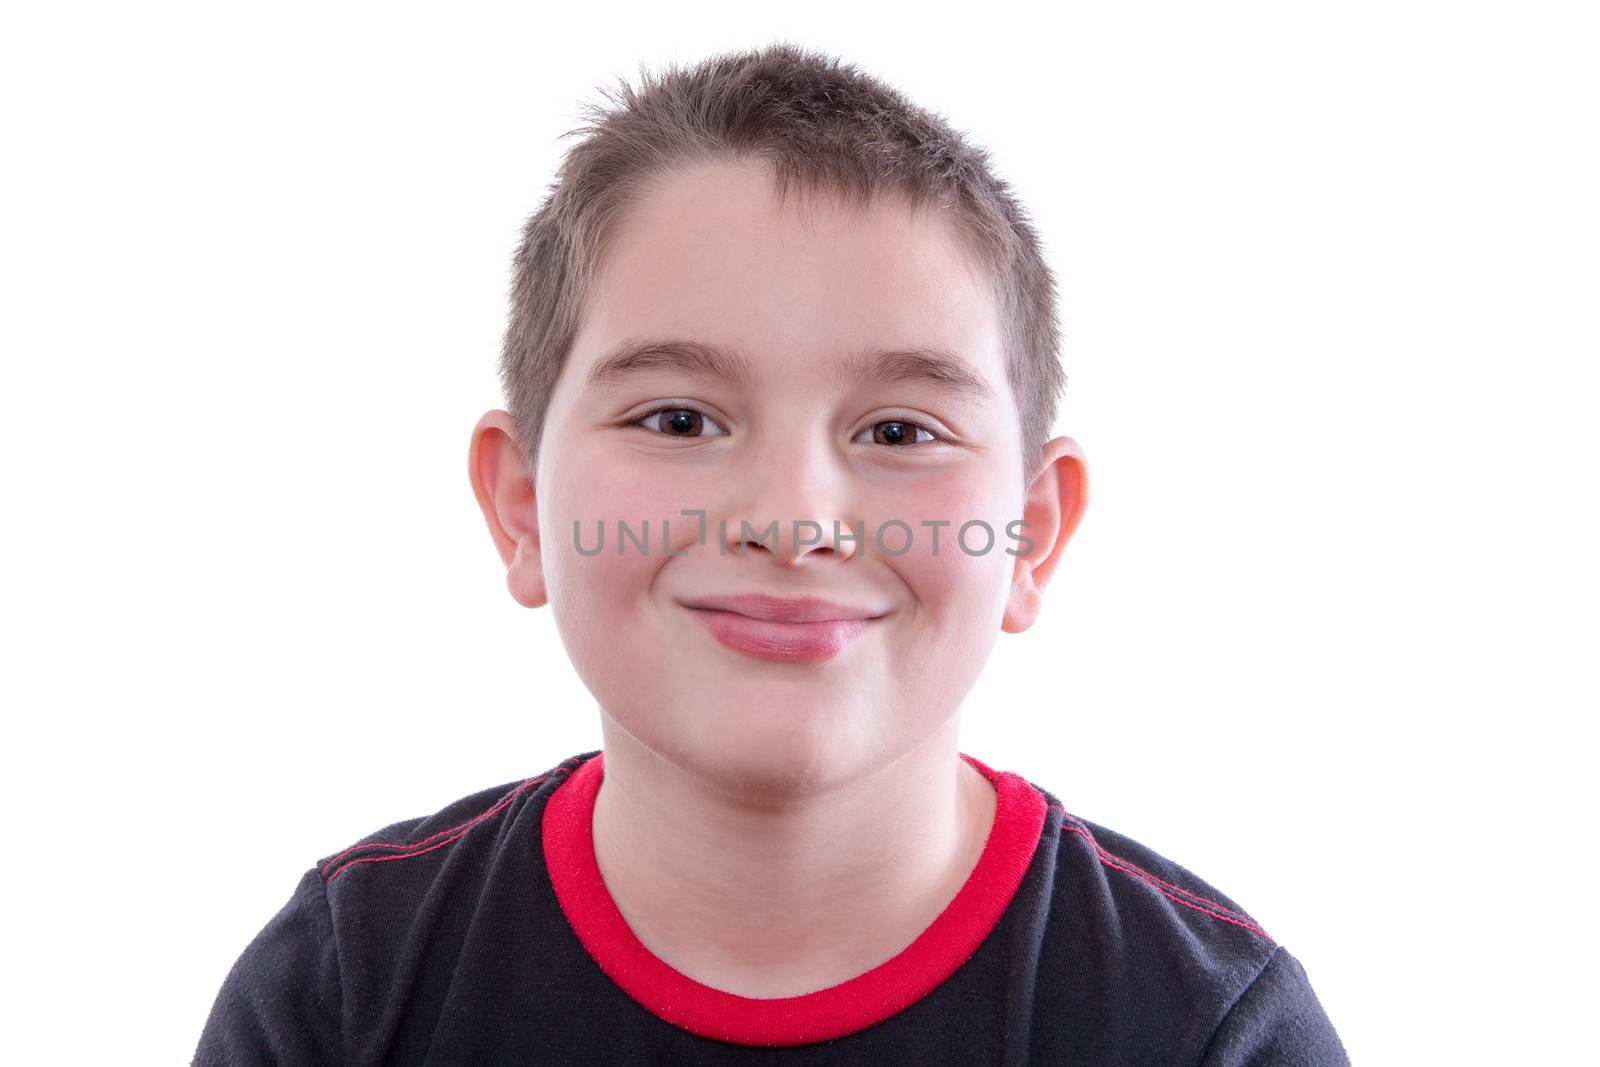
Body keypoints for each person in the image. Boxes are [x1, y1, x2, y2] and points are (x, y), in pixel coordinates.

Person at [194, 41, 1349, 1065]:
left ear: (1032, 530)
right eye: (678, 419)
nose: (793, 519)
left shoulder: (1208, 1029)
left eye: (899, 431)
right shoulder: (344, 992)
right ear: (521, 503)